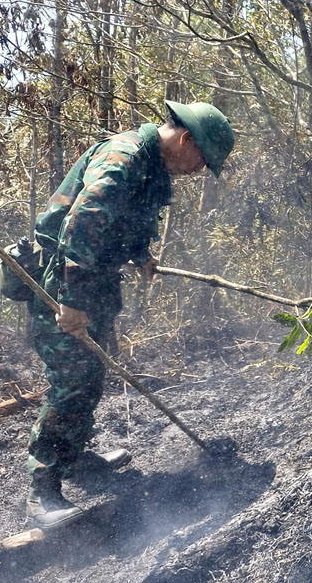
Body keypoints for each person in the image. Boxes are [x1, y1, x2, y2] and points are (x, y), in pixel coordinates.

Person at [24, 100, 235, 528]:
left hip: (91, 283)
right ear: (186, 139)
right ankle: (42, 491)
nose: (198, 170)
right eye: (202, 159)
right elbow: (83, 225)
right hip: (63, 281)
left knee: (91, 375)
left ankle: (76, 459)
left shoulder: (151, 166)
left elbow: (124, 221)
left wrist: (140, 253)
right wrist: (73, 300)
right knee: (72, 381)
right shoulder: (122, 158)